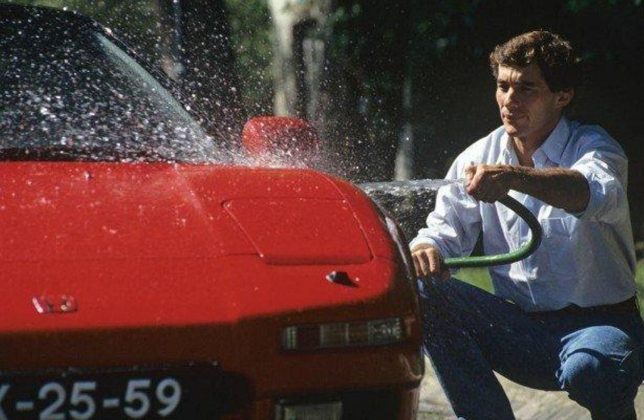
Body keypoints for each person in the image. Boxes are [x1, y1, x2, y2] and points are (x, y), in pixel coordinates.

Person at [410, 30, 643, 419]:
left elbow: (590, 192)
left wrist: (515, 178)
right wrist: (426, 249)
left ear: (562, 96)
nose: (509, 100)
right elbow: (443, 232)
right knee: (423, 290)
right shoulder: (477, 156)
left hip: (601, 325)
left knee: (592, 369)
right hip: (519, 331)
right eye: (503, 86)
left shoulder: (595, 148)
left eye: (526, 88)